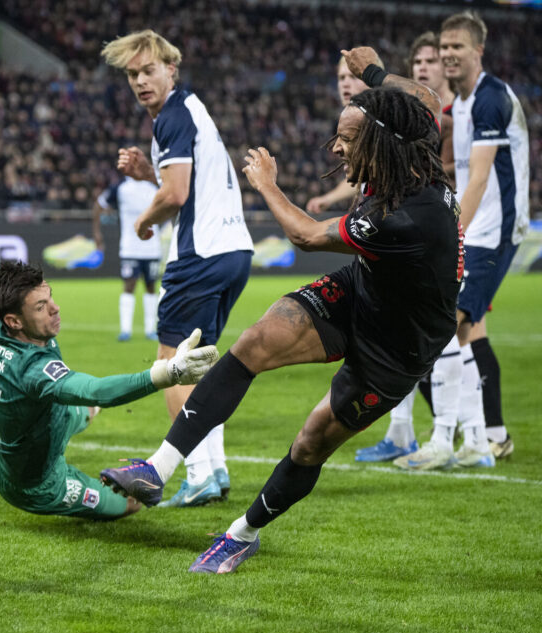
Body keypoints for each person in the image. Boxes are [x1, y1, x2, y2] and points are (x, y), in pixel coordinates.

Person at [101, 48, 462, 572]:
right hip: (364, 290)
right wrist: (377, 77)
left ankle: (242, 533)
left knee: (311, 441)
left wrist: (267, 184)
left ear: (383, 141)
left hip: (400, 346)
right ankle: (157, 468)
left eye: (348, 139)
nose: (336, 147)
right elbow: (425, 98)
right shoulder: (415, 135)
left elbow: (307, 235)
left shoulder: (404, 217)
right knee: (253, 342)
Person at [0, 130, 218, 520]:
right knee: (129, 504)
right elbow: (94, 386)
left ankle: (78, 418)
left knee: (79, 408)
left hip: (22, 429)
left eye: (50, 297)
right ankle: (93, 489)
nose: (55, 310)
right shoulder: (32, 370)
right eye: (41, 307)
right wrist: (168, 372)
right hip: (36, 481)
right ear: (14, 321)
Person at [101, 29, 254, 507]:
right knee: (202, 368)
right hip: (234, 252)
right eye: (133, 74)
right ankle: (216, 470)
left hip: (200, 257)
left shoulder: (170, 117)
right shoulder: (190, 108)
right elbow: (185, 181)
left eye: (149, 70)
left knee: (173, 369)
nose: (141, 81)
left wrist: (145, 222)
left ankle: (199, 473)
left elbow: (177, 195)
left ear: (172, 68)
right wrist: (150, 174)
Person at [394, 11, 527, 469]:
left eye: (456, 47)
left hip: (493, 231)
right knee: (462, 333)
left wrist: (452, 235)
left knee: (447, 325)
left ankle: (443, 441)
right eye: (444, 47)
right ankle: (478, 440)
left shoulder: (489, 100)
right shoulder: (466, 103)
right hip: (479, 227)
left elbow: (479, 180)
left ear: (478, 52)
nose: (449, 54)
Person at [355, 31, 460, 463]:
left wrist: (376, 76)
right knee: (407, 326)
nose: (422, 67)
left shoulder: (444, 112)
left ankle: (458, 435)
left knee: (456, 325)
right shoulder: (404, 114)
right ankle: (403, 432)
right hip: (414, 227)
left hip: (437, 231)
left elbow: (437, 118)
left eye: (431, 60)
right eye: (415, 60)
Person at [91, 174, 163, 342]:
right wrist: (96, 232)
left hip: (152, 247)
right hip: (130, 247)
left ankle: (150, 330)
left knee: (151, 286)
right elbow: (98, 205)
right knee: (129, 285)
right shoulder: (120, 188)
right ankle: (126, 330)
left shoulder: (154, 187)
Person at [304, 56, 369, 215]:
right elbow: (362, 176)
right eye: (341, 78)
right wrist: (329, 199)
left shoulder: (382, 124)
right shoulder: (353, 123)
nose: (345, 83)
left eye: (353, 77)